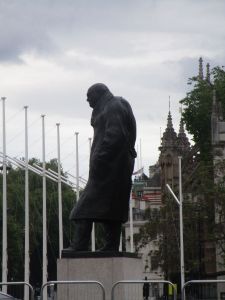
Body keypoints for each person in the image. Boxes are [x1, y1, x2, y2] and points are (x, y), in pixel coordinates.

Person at [68, 83, 136, 252]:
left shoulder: (113, 106)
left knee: (81, 210)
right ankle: (111, 247)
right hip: (116, 167)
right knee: (112, 210)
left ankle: (79, 246)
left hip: (109, 168)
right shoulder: (115, 104)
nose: (87, 100)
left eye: (89, 96)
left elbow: (116, 135)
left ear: (98, 94)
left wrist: (100, 158)